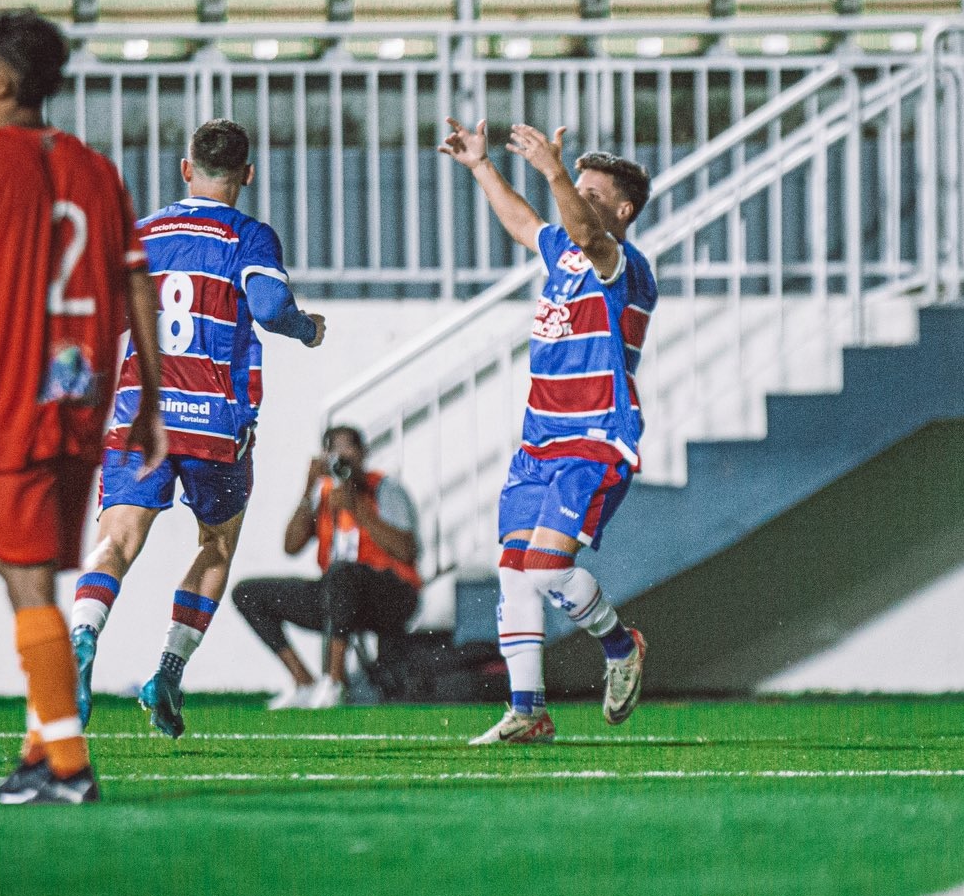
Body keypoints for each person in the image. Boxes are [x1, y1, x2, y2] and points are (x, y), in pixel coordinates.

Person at [0, 10, 166, 806]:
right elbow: (133, 283)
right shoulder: (97, 170)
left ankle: (71, 768)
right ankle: (42, 752)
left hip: (9, 404)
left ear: (5, 80)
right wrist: (145, 392)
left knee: (28, 587)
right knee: (39, 577)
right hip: (78, 399)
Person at [64, 119, 327, 741]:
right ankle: (167, 671)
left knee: (118, 539)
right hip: (214, 422)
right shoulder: (249, 236)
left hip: (142, 415)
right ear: (247, 175)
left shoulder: (145, 233)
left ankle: (82, 636)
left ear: (186, 169)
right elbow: (268, 308)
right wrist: (306, 328)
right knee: (215, 545)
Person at [434, 118, 657, 745]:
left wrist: (555, 171)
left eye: (588, 193)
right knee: (514, 570)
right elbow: (526, 224)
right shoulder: (563, 249)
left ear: (623, 210)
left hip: (593, 438)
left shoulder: (622, 263)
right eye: (571, 186)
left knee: (545, 565)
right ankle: (527, 711)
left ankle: (620, 644)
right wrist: (481, 167)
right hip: (539, 442)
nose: (571, 200)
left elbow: (585, 235)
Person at [230, 425, 422, 709]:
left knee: (342, 573)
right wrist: (308, 490)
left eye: (348, 449)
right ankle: (304, 682)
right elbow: (291, 546)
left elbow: (407, 551)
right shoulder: (325, 494)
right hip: (338, 596)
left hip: (389, 592)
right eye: (334, 449)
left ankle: (334, 682)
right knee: (248, 593)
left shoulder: (384, 489)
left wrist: (358, 509)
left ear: (363, 453)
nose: (341, 456)